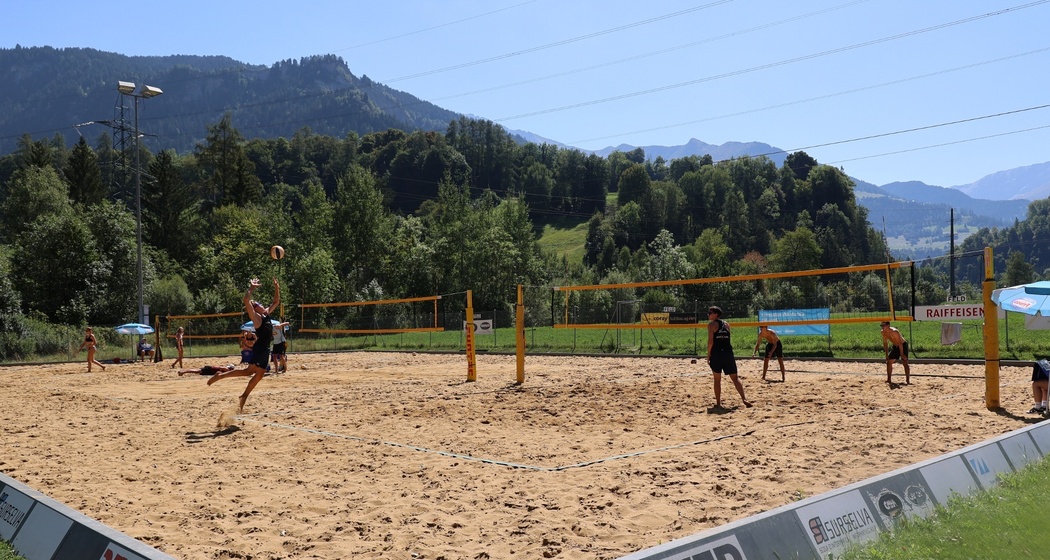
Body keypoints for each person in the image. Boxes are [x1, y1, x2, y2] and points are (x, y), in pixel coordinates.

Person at [207, 278, 281, 412]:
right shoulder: (257, 318)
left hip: (265, 348)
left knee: (258, 375)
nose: (262, 305)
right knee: (249, 372)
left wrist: (277, 288)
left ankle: (243, 396)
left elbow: (276, 302)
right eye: (258, 304)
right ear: (255, 309)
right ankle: (221, 376)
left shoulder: (266, 314)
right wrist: (251, 288)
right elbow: (246, 300)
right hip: (260, 348)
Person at [706, 306, 752, 409]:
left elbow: (710, 342)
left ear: (716, 314)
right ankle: (744, 398)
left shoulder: (711, 325)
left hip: (717, 354)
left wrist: (708, 355)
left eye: (710, 312)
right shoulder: (727, 324)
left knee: (717, 380)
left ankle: (718, 403)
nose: (708, 314)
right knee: (735, 378)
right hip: (728, 353)